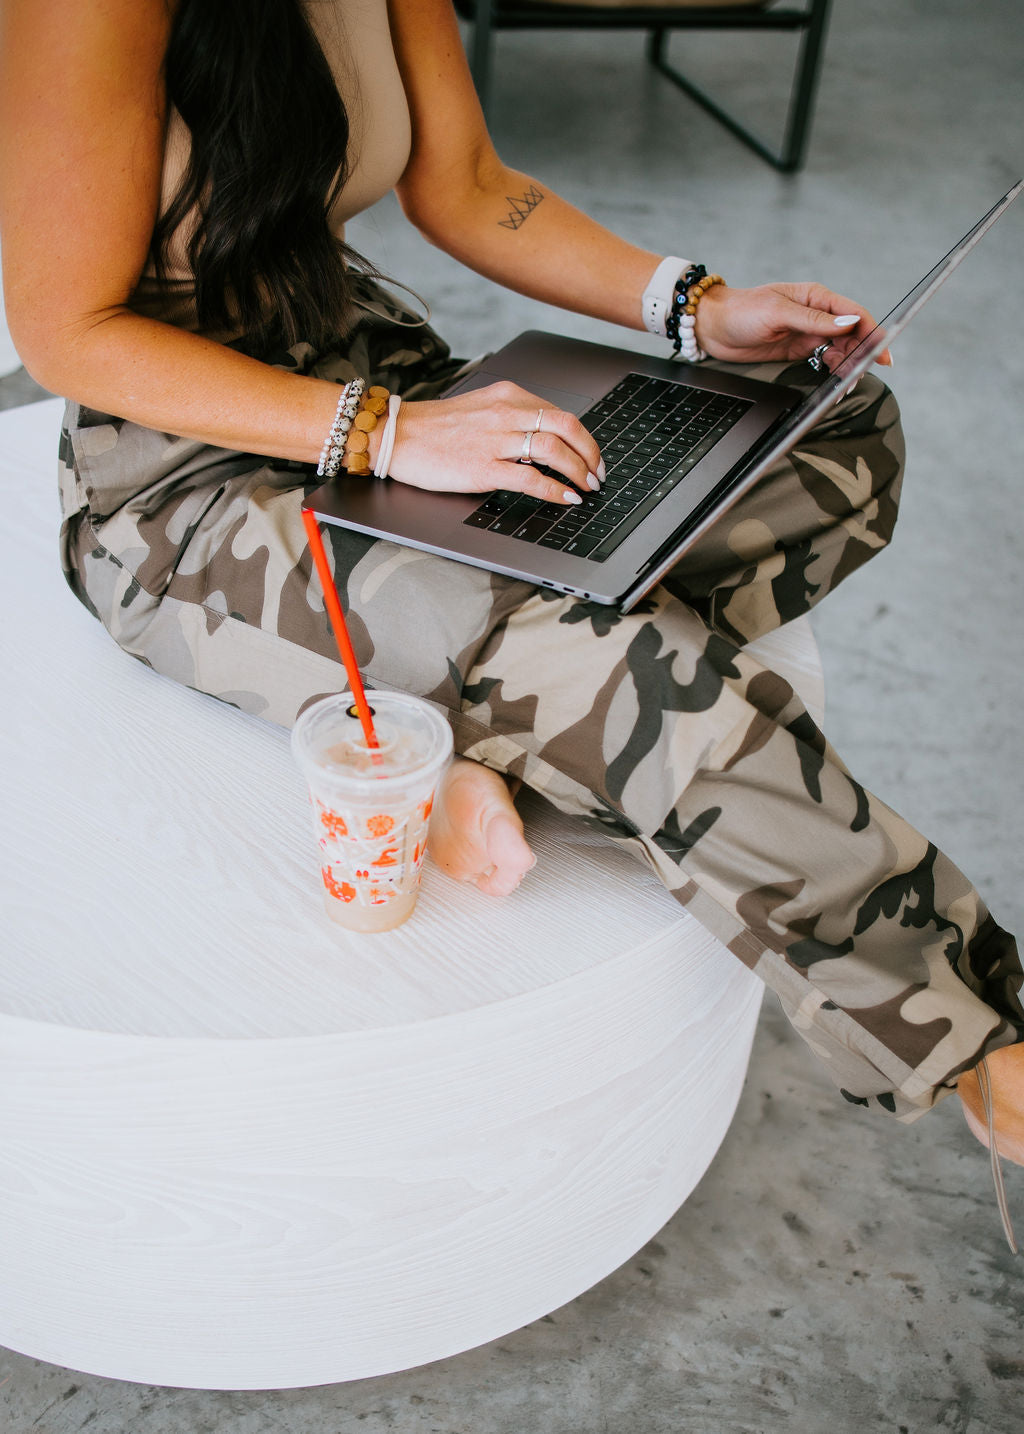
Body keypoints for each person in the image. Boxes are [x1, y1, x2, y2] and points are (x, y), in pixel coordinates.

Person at [0, 0, 1021, 1193]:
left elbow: (471, 184)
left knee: (829, 431)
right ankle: (982, 1048)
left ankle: (473, 711)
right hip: (192, 472)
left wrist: (700, 310)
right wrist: (388, 437)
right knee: (638, 679)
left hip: (375, 375)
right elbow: (70, 332)